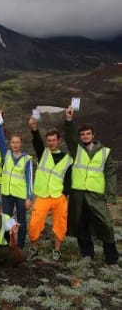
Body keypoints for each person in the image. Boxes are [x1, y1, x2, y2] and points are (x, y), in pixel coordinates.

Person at [65, 106, 119, 268]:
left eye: (88, 133)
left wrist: (110, 195)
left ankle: (112, 259)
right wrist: (69, 120)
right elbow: (69, 137)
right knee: (81, 226)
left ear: (93, 135)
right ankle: (87, 254)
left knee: (106, 225)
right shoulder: (77, 150)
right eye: (82, 134)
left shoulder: (105, 152)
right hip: (79, 195)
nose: (85, 136)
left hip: (96, 195)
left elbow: (110, 174)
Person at [27, 117, 72, 261]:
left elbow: (68, 179)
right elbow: (36, 142)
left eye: (54, 140)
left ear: (59, 141)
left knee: (60, 224)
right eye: (49, 140)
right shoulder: (43, 153)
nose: (51, 142)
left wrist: (65, 194)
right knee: (35, 223)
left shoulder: (67, 159)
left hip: (59, 196)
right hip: (42, 195)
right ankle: (34, 248)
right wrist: (34, 128)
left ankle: (57, 250)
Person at [0, 109, 33, 249]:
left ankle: (20, 246)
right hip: (7, 193)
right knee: (7, 219)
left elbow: (30, 179)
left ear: (21, 144)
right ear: (10, 143)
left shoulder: (27, 159)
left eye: (18, 142)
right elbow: (0, 138)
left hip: (20, 195)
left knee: (21, 221)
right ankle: (7, 244)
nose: (15, 144)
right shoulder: (6, 155)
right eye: (13, 142)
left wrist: (29, 197)